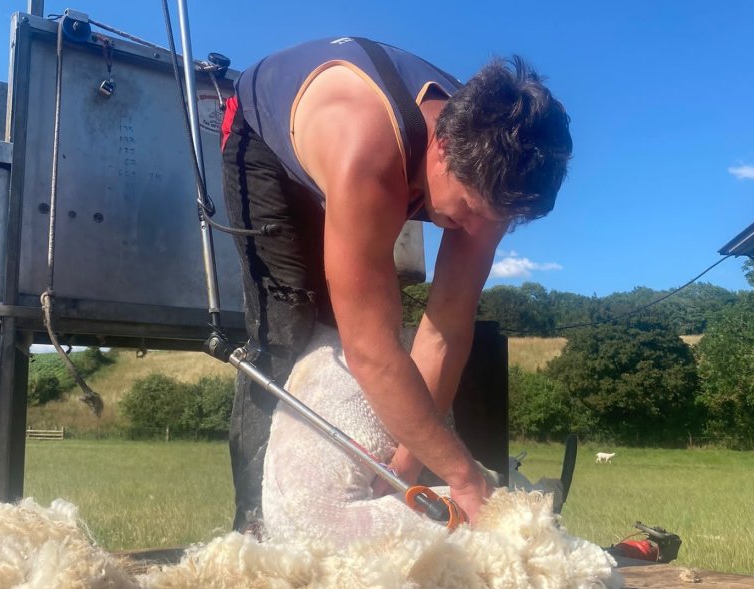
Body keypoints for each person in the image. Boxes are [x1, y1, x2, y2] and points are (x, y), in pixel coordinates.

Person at [220, 36, 572, 533]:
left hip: (385, 157)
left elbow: (447, 325)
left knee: (353, 331)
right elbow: (371, 349)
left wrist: (405, 464)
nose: (473, 228)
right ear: (443, 146)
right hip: (266, 140)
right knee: (291, 325)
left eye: (494, 220)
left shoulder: (493, 179)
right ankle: (255, 527)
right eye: (469, 208)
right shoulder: (365, 147)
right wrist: (463, 475)